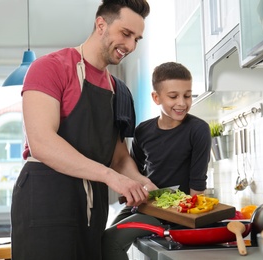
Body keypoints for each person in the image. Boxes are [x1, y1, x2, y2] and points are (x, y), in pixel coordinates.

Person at [10, 1, 158, 259]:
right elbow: (41, 142)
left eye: (137, 38)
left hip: (92, 208)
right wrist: (112, 178)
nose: (132, 46)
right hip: (46, 202)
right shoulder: (50, 67)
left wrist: (142, 184)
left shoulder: (119, 90)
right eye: (125, 34)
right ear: (101, 24)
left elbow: (119, 157)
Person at [101, 62, 212, 259]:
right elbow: (134, 171)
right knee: (102, 242)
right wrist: (138, 191)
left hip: (173, 213)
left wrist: (191, 225)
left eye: (187, 95)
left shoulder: (198, 130)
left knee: (110, 241)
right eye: (173, 96)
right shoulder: (143, 131)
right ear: (156, 97)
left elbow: (197, 186)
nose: (182, 102)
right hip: (145, 205)